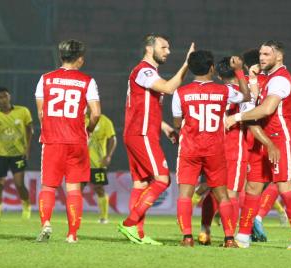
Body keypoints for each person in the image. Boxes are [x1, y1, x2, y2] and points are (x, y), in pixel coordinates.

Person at [225, 40, 291, 249]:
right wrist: (252, 78)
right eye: (261, 53)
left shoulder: (281, 80)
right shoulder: (265, 78)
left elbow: (267, 109)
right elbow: (253, 100)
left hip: (281, 139)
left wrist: (236, 118)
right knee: (253, 187)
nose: (261, 57)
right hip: (261, 140)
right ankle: (243, 236)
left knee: (284, 187)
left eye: (267, 54)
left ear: (279, 57)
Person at [117, 33, 194, 245]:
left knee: (141, 183)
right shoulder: (144, 70)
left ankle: (137, 234)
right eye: (164, 47)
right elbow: (170, 88)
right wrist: (187, 64)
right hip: (141, 135)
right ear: (150, 49)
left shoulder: (147, 73)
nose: (168, 52)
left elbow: (144, 109)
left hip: (139, 133)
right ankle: (130, 223)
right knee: (162, 179)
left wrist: (165, 127)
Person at [172, 50, 250, 247]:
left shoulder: (180, 92)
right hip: (215, 149)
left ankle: (187, 238)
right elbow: (246, 96)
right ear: (212, 68)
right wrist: (239, 71)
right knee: (222, 195)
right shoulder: (224, 91)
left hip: (190, 149)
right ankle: (229, 239)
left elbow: (177, 123)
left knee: (185, 195)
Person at [34, 39, 101, 243]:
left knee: (48, 187)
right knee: (73, 189)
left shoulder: (45, 79)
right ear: (80, 59)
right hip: (77, 141)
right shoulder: (87, 81)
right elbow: (96, 113)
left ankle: (46, 223)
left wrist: (49, 128)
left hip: (53, 140)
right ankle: (72, 234)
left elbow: (41, 112)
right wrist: (88, 130)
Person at [0, 87, 33, 222]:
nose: (3, 100)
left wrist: (27, 149)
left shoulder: (23, 111)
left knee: (19, 184)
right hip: (0, 155)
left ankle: (26, 207)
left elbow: (30, 130)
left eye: (5, 96)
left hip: (18, 154)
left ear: (9, 96)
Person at [81, 113, 117, 224]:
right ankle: (75, 216)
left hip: (98, 162)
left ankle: (103, 217)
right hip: (80, 162)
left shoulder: (105, 121)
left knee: (99, 189)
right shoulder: (80, 119)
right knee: (76, 189)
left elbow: (113, 138)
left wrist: (108, 156)